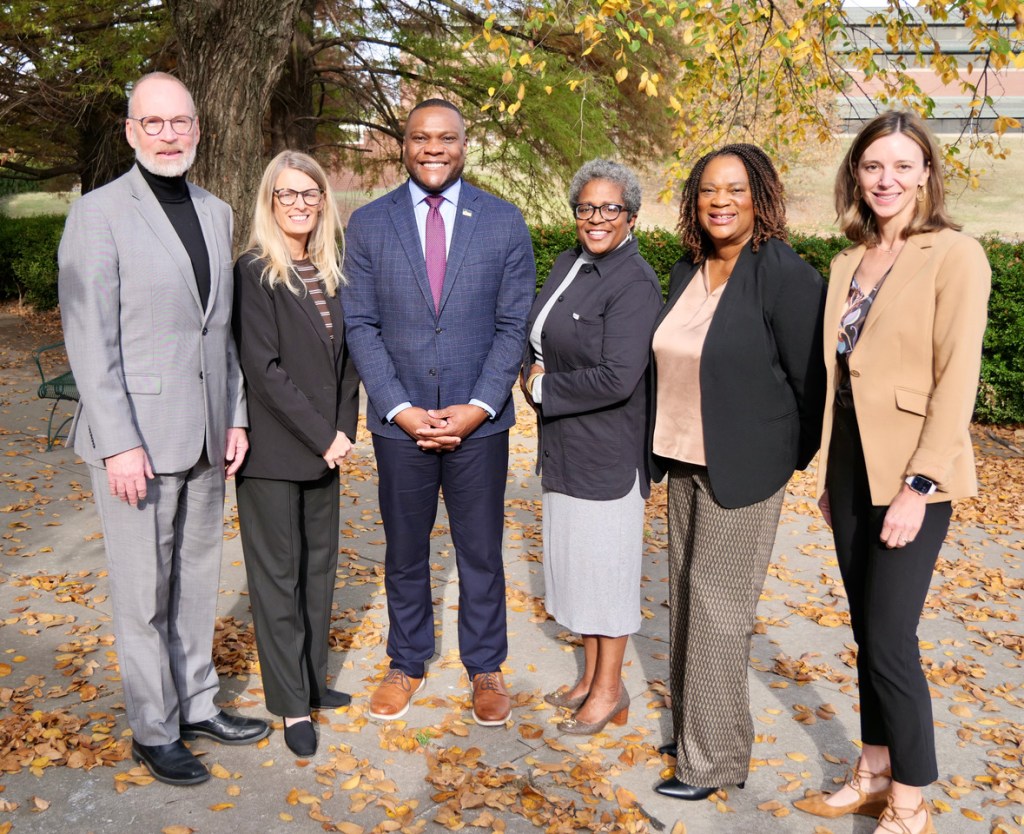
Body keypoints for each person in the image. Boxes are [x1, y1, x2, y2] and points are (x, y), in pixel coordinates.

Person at [57, 72, 270, 787]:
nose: (169, 134)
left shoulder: (215, 211)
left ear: (199, 129)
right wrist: (118, 441)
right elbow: (90, 337)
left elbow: (224, 330)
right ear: (130, 131)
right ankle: (154, 728)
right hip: (136, 443)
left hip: (207, 436)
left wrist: (235, 414)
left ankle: (199, 703)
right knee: (144, 594)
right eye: (153, 123)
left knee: (196, 583)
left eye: (180, 121)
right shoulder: (100, 213)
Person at [793, 111, 990, 834]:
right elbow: (840, 374)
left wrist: (920, 484)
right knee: (864, 628)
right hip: (848, 466)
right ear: (856, 173)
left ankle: (911, 800)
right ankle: (873, 769)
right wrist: (826, 474)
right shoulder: (847, 261)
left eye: (903, 165)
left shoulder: (955, 254)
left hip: (914, 473)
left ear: (928, 174)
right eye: (874, 165)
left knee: (890, 635)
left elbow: (956, 378)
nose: (888, 179)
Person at [342, 99, 535, 725]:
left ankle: (485, 667)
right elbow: (361, 324)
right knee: (404, 549)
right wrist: (398, 408)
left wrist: (478, 407)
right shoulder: (369, 224)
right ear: (403, 144)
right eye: (421, 138)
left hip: (480, 425)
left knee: (480, 550)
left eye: (445, 138)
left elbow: (513, 326)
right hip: (401, 426)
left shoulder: (504, 223)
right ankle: (407, 662)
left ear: (463, 144)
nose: (433, 148)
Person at [650, 143, 826, 800]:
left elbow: (814, 387)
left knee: (719, 612)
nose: (720, 202)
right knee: (687, 601)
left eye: (735, 189)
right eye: (707, 191)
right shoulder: (686, 271)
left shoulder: (784, 276)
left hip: (743, 473)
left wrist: (781, 459)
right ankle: (697, 729)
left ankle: (715, 761)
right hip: (685, 461)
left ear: (762, 198)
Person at [520, 159, 662, 734]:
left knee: (608, 577)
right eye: (586, 208)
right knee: (580, 571)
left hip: (607, 455)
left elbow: (617, 376)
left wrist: (541, 385)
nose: (596, 218)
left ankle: (610, 690)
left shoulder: (634, 282)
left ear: (630, 216)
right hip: (563, 448)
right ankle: (589, 675)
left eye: (610, 209)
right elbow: (539, 336)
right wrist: (529, 368)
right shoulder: (566, 263)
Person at [232, 151, 360, 758]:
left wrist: (343, 431)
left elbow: (347, 362)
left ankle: (311, 680)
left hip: (323, 452)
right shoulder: (256, 271)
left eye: (310, 195)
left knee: (317, 572)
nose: (300, 205)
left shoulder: (329, 271)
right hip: (274, 455)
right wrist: (322, 434)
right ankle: (288, 708)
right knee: (277, 583)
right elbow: (264, 370)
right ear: (270, 201)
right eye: (288, 195)